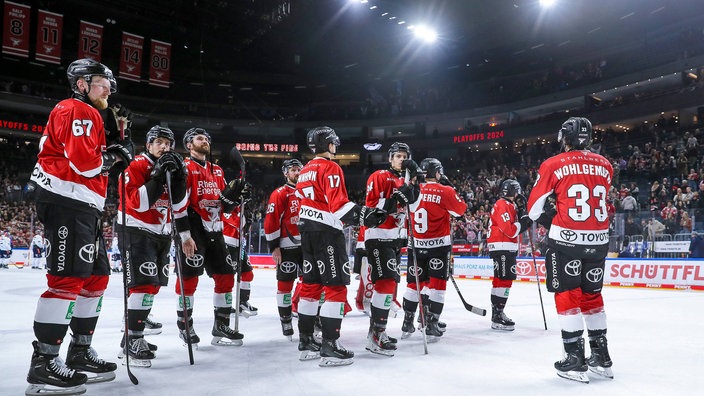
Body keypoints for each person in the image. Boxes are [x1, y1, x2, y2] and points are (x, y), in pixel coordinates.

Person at [26, 58, 134, 394]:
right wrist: (115, 155)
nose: (108, 89)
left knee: (97, 275)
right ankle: (43, 363)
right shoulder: (76, 108)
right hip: (66, 202)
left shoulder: (91, 114)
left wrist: (112, 144)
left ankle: (80, 350)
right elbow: (86, 165)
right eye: (102, 82)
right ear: (82, 84)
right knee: (68, 278)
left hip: (83, 205)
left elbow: (90, 163)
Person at [526, 117, 614, 383]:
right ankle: (601, 358)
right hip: (599, 241)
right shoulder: (606, 164)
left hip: (566, 240)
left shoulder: (552, 164)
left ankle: (575, 360)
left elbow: (533, 210)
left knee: (567, 297)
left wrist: (550, 216)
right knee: (592, 297)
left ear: (564, 137)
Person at [295, 126, 387, 366]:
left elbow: (304, 201)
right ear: (328, 144)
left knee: (310, 287)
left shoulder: (304, 170)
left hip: (307, 233)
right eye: (334, 142)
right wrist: (365, 214)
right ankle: (329, 345)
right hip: (326, 232)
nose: (336, 146)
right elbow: (338, 206)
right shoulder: (330, 167)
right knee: (336, 288)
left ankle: (306, 341)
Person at [115, 125, 188, 367]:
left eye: (168, 143)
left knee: (153, 286)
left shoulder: (171, 166)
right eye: (158, 142)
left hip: (161, 232)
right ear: (148, 145)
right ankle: (134, 339)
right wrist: (158, 175)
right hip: (135, 229)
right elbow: (139, 203)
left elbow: (178, 206)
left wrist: (179, 178)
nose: (164, 147)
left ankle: (132, 336)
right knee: (143, 285)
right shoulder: (136, 165)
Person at [172, 127, 249, 347]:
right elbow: (179, 204)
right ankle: (185, 325)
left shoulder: (217, 171)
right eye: (199, 138)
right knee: (188, 279)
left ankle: (221, 324)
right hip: (194, 229)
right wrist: (185, 235)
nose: (204, 141)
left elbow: (225, 205)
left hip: (216, 230)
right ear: (189, 145)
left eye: (206, 138)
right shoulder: (184, 168)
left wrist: (237, 196)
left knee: (225, 276)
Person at [397, 158, 466, 341]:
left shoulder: (414, 190)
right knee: (437, 286)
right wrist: (451, 188)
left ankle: (407, 321)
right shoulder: (445, 191)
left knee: (413, 285)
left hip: (416, 246)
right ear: (437, 172)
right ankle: (432, 323)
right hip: (438, 248)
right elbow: (460, 211)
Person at [362, 142, 419, 356]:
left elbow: (413, 206)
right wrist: (399, 195)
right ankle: (377, 334)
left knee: (389, 283)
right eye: (398, 156)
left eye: (405, 155)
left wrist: (414, 184)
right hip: (378, 235)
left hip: (395, 238)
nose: (401, 159)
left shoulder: (407, 178)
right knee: (385, 283)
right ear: (390, 158)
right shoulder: (379, 176)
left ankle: (377, 331)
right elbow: (373, 207)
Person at [264, 159, 304, 340]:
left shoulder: (308, 193)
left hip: (307, 247)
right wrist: (274, 247)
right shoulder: (280, 194)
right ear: (285, 173)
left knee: (312, 283)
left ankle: (311, 317)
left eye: (299, 169)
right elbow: (271, 221)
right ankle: (286, 319)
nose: (297, 172)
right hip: (287, 247)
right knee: (285, 286)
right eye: (293, 170)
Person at [486, 178, 532, 331]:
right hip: (503, 245)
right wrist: (523, 223)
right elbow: (510, 230)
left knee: (500, 280)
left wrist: (521, 212)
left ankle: (497, 314)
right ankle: (498, 316)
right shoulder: (503, 205)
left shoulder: (506, 204)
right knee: (505, 280)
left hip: (502, 246)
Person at [222, 202, 259, 318]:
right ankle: (224, 306)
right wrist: (243, 215)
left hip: (239, 246)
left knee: (247, 274)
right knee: (226, 278)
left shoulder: (240, 207)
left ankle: (242, 303)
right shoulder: (225, 207)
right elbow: (237, 223)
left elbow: (245, 226)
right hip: (228, 245)